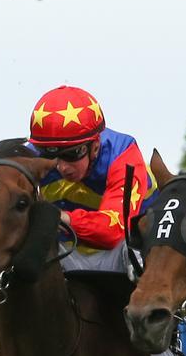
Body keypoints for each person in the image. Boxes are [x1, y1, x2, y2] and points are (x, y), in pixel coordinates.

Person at [28, 85, 152, 273]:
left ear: (95, 145)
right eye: (50, 153)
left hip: (125, 247)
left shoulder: (123, 154)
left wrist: (58, 218)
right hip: (70, 250)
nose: (62, 166)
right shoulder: (33, 156)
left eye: (72, 154)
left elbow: (111, 232)